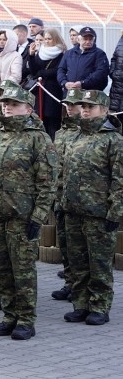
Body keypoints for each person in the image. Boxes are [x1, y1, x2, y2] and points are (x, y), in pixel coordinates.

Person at [0, 84, 56, 341]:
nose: (6, 106)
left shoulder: (38, 138)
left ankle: (25, 319)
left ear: (28, 108)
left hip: (22, 216)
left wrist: (38, 216)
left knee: (22, 271)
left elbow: (47, 182)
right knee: (2, 268)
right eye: (4, 102)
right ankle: (9, 316)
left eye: (13, 103)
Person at [59, 89, 121, 326]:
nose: (84, 110)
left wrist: (115, 211)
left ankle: (100, 306)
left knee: (99, 263)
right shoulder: (75, 136)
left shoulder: (113, 139)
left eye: (90, 107)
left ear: (104, 110)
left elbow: (119, 180)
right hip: (73, 210)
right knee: (77, 262)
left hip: (98, 213)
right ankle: (81, 304)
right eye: (83, 106)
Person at [51, 89, 84, 303]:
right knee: (65, 244)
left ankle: (83, 289)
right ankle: (70, 283)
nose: (70, 108)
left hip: (81, 200)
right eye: (67, 104)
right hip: (61, 197)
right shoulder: (61, 133)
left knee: (79, 249)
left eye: (74, 104)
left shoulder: (87, 133)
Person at [28, 28, 67, 139]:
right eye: (45, 39)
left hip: (53, 90)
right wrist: (31, 55)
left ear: (55, 39)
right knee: (40, 118)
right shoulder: (41, 52)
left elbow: (58, 70)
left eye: (49, 39)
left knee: (52, 119)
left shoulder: (62, 53)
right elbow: (34, 71)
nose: (46, 41)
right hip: (39, 90)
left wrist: (42, 73)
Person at [57, 26, 110, 92]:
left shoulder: (99, 54)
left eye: (90, 39)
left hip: (90, 94)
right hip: (70, 93)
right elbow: (61, 70)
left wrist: (83, 83)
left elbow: (101, 72)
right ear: (79, 40)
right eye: (85, 39)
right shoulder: (69, 53)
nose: (88, 42)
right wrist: (64, 83)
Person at [109, 32, 123, 113]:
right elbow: (114, 57)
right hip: (117, 86)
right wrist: (113, 72)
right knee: (115, 117)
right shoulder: (121, 39)